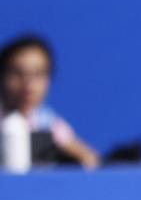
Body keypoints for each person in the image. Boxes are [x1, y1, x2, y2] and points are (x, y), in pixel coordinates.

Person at [0, 34, 100, 169]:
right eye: (17, 73)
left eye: (37, 74)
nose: (28, 85)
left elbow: (88, 158)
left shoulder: (48, 123)